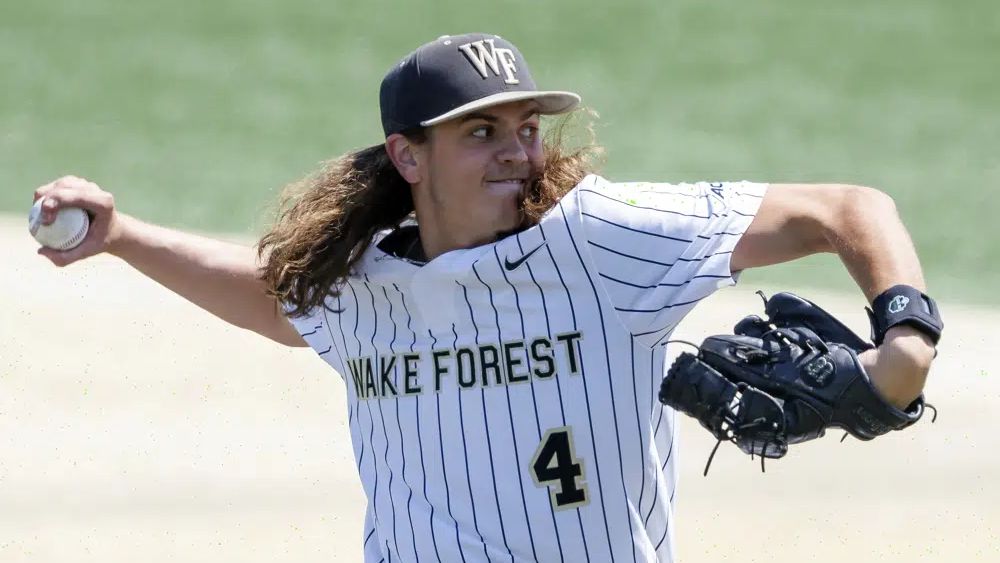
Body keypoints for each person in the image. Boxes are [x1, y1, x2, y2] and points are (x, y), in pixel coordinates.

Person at [33, 33, 938, 563]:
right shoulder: (364, 282)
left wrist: (906, 346)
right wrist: (122, 236)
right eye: (482, 131)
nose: (519, 150)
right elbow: (277, 305)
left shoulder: (600, 240)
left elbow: (848, 209)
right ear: (407, 156)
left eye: (525, 128)